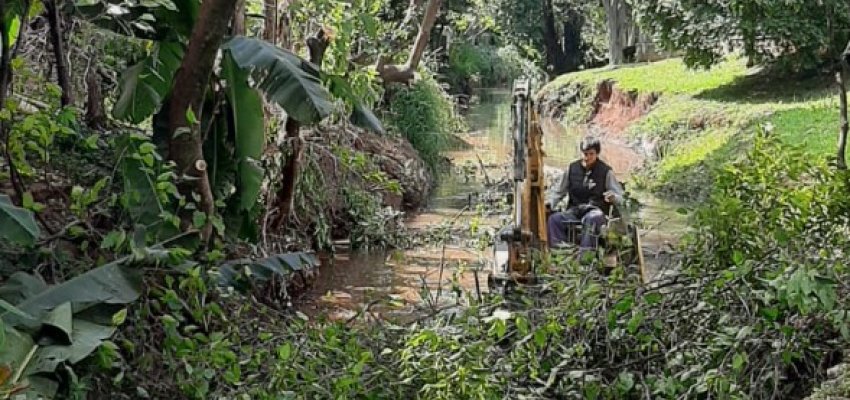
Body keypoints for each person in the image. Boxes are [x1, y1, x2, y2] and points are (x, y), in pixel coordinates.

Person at [545, 136, 624, 255]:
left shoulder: (606, 172)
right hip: (574, 211)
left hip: (595, 212)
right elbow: (558, 192)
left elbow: (620, 197)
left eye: (591, 154)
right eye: (585, 153)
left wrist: (613, 197)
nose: (587, 158)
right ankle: (558, 253)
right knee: (554, 219)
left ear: (597, 154)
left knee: (591, 219)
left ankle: (585, 257)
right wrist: (550, 204)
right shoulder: (571, 169)